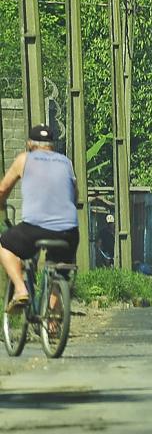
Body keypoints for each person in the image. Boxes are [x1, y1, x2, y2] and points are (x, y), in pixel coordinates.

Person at [0, 125, 79, 313]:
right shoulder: (66, 162)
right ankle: (51, 318)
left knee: (4, 245)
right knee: (58, 268)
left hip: (34, 228)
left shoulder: (24, 159)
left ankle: (20, 289)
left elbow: (2, 190)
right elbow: (75, 196)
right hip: (68, 231)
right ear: (52, 146)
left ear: (29, 144)